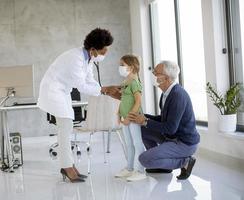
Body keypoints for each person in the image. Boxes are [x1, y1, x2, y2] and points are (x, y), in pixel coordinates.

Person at [37, 28, 119, 183]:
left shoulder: (88, 58)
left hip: (63, 91)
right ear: (93, 49)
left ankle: (67, 165)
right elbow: (81, 86)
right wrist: (104, 90)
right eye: (103, 50)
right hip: (53, 90)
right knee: (65, 126)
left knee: (66, 127)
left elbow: (90, 81)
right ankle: (67, 167)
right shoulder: (75, 58)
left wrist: (104, 90)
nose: (105, 54)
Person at [127, 60, 200, 180]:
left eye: (156, 72)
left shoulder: (177, 95)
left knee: (144, 159)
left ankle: (185, 161)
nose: (153, 74)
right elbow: (164, 119)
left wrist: (145, 121)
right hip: (171, 137)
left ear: (166, 78)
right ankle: (162, 163)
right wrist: (144, 117)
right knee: (142, 129)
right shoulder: (166, 93)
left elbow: (170, 128)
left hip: (184, 143)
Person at [114, 55, 146, 181]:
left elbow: (138, 102)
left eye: (122, 65)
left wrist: (130, 117)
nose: (120, 67)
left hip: (133, 119)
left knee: (137, 143)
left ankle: (141, 170)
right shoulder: (125, 82)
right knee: (129, 144)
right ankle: (129, 168)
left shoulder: (134, 82)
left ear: (131, 67)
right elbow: (124, 100)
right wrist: (119, 113)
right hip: (125, 118)